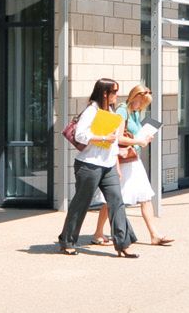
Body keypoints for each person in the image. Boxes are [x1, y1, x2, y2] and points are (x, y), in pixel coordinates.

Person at [57, 77, 138, 257]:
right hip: (89, 165)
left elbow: (113, 141)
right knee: (81, 203)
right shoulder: (91, 111)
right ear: (104, 93)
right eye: (114, 92)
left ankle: (123, 244)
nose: (117, 95)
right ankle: (67, 241)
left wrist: (116, 160)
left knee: (117, 202)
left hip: (108, 165)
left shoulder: (110, 111)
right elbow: (80, 135)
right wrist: (102, 138)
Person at [91, 83, 171, 246]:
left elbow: (133, 135)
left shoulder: (134, 113)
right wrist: (138, 141)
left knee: (145, 196)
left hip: (133, 159)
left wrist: (143, 139)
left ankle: (154, 234)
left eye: (145, 104)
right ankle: (98, 232)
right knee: (111, 198)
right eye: (141, 102)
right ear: (134, 97)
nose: (142, 106)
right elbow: (118, 138)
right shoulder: (122, 111)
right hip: (122, 161)